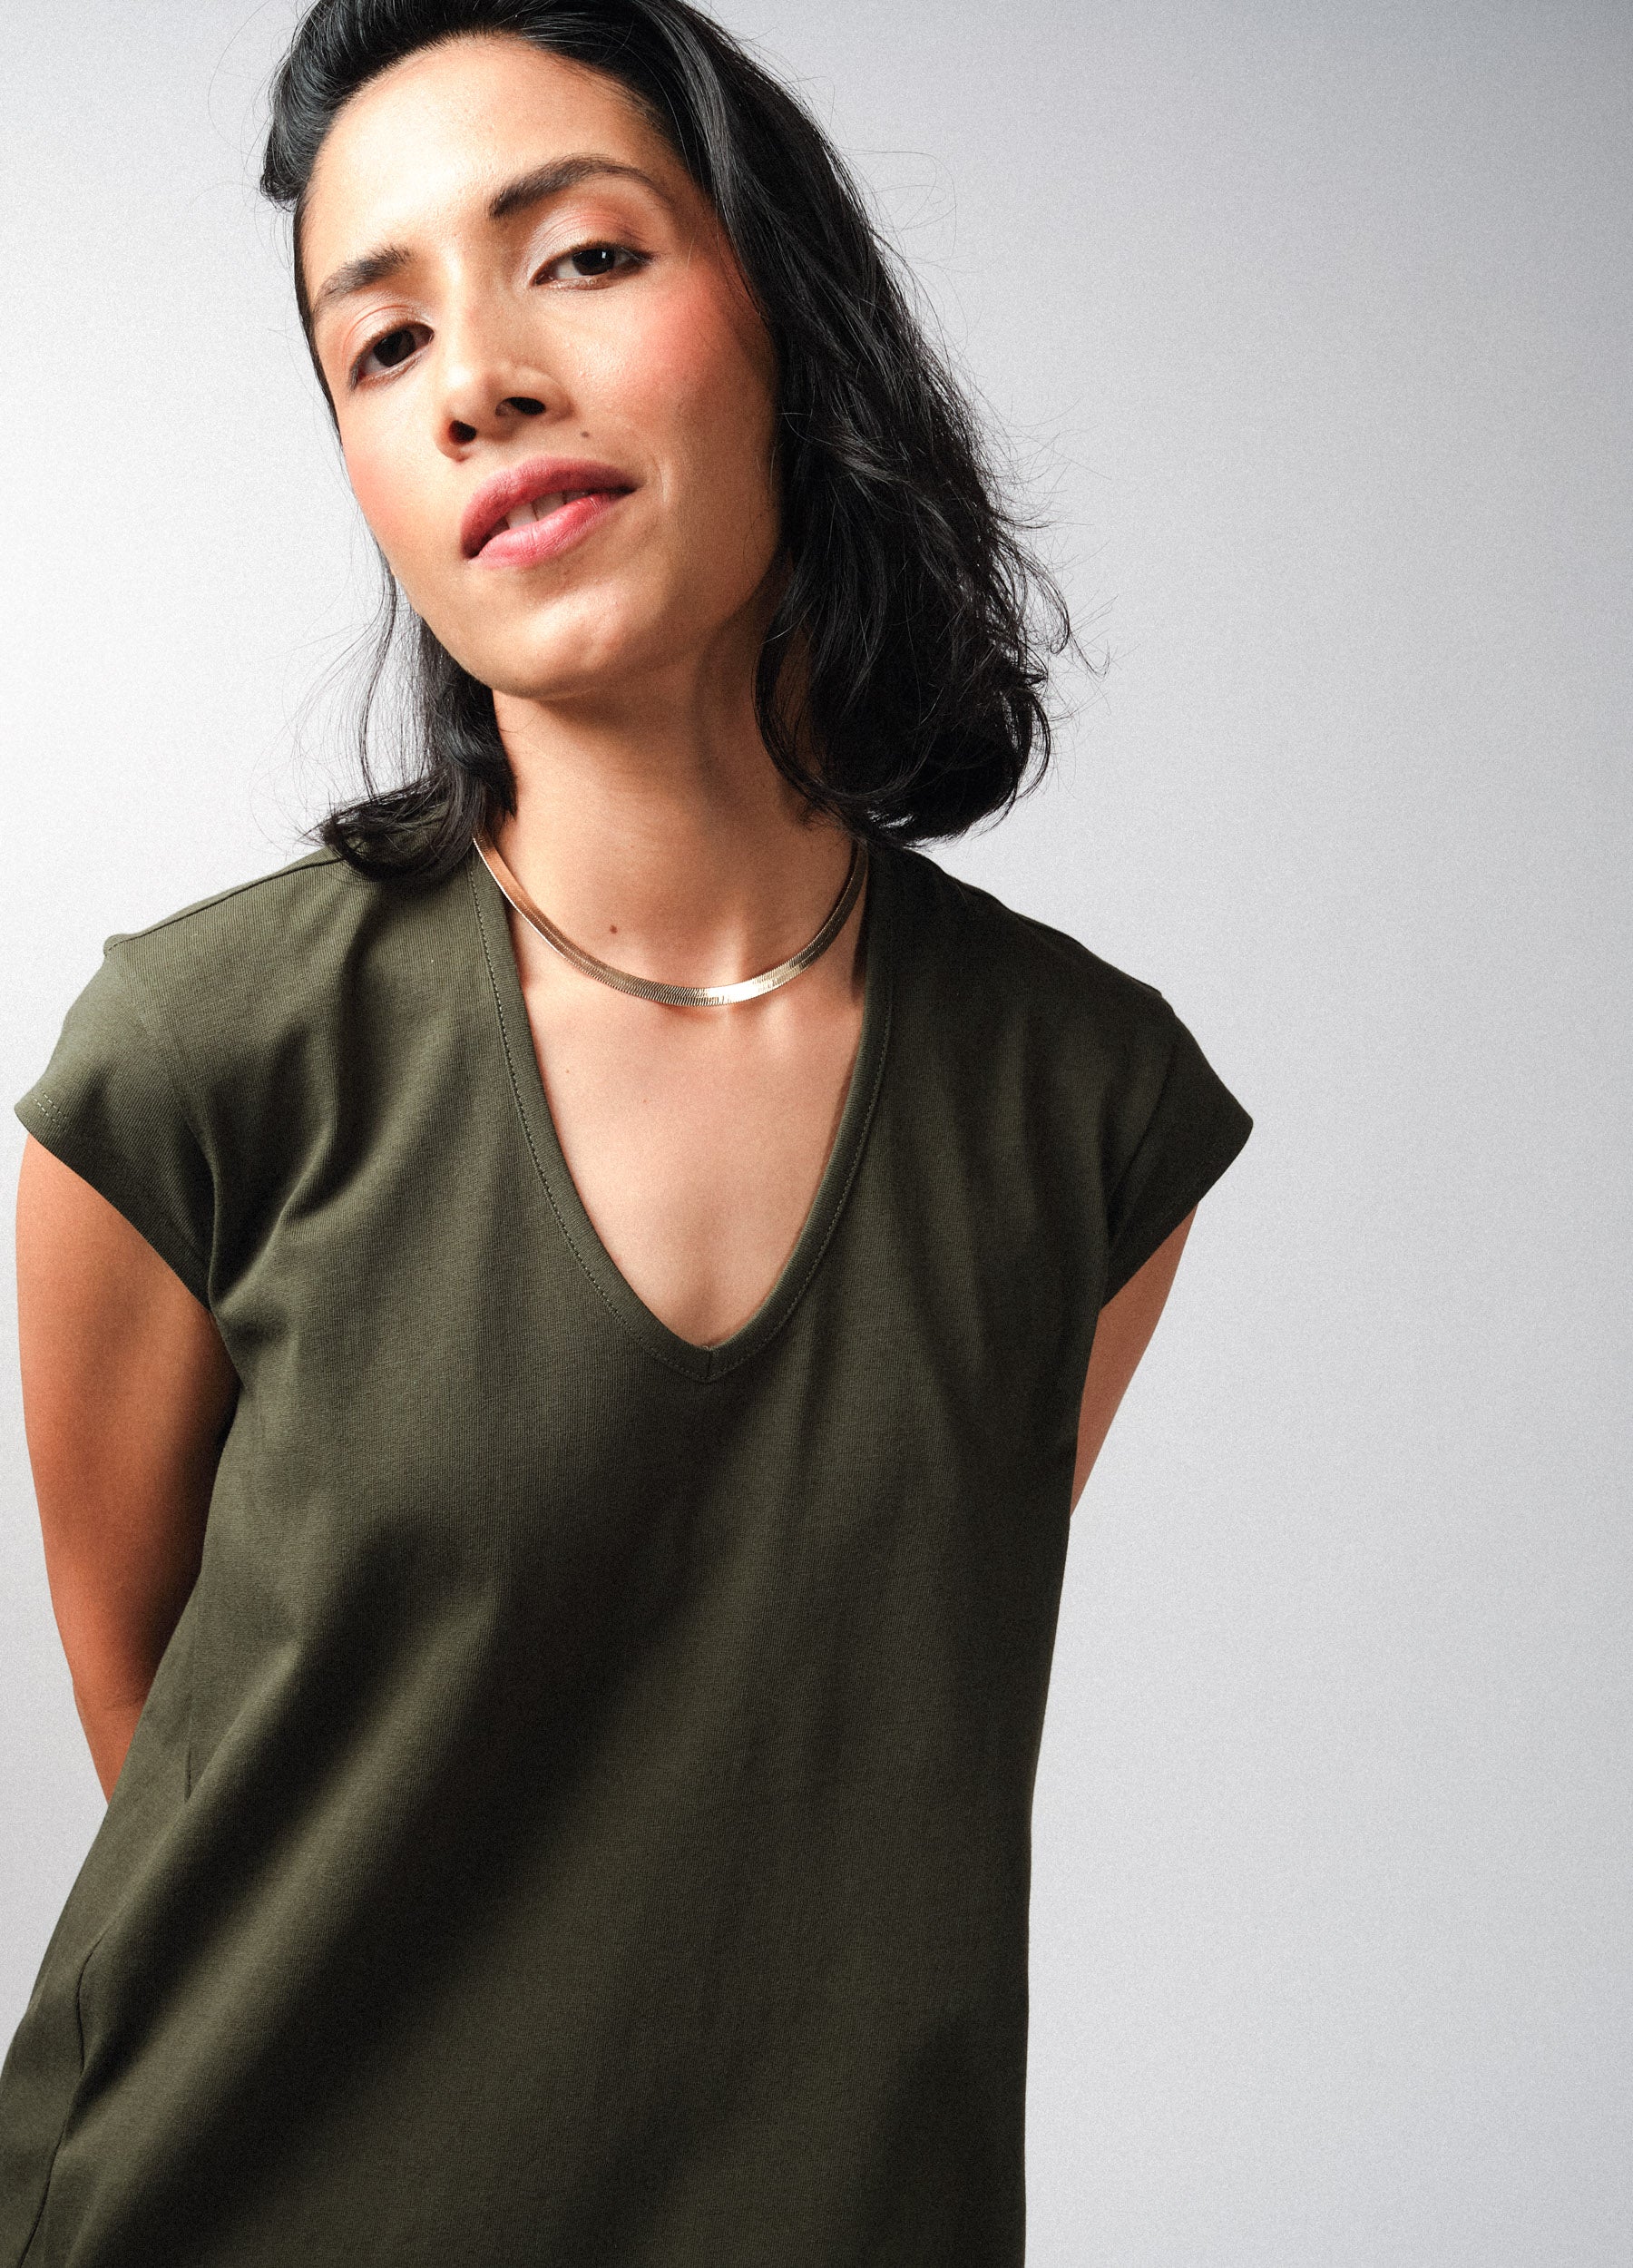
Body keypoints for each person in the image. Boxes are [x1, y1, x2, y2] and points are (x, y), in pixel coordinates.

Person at [1, 2, 1251, 2261]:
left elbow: (800, 1732)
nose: (475, 379)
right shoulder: (198, 1062)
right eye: (381, 346)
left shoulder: (1083, 1111)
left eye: (577, 257)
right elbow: (185, 1765)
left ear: (789, 317)